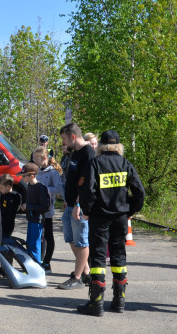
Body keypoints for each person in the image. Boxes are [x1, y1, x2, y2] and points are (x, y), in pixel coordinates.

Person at [77, 130, 145, 315]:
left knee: (98, 257)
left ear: (101, 146)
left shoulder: (95, 163)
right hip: (120, 217)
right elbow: (140, 192)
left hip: (99, 216)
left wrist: (87, 211)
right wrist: (129, 210)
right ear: (118, 146)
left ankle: (96, 303)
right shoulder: (125, 163)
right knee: (119, 257)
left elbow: (87, 190)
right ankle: (119, 301)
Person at [56, 123, 95, 290]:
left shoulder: (88, 153)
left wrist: (79, 203)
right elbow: (72, 179)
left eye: (64, 138)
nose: (63, 142)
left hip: (79, 206)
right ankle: (86, 272)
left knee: (81, 242)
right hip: (70, 204)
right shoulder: (75, 153)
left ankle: (77, 277)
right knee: (71, 239)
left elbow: (87, 183)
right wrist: (68, 200)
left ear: (73, 136)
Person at [32, 147, 63, 272]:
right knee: (38, 236)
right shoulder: (38, 171)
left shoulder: (53, 172)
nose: (34, 161)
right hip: (37, 209)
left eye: (36, 158)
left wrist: (44, 189)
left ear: (44, 158)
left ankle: (47, 262)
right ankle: (38, 260)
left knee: (48, 236)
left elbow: (59, 189)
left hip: (47, 210)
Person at [20, 163, 50, 266]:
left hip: (37, 221)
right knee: (29, 244)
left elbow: (45, 207)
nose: (22, 177)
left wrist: (28, 207)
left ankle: (36, 267)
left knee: (35, 246)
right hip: (31, 219)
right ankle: (30, 267)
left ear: (32, 176)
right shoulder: (30, 186)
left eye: (24, 176)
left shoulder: (41, 188)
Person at [0, 174, 23, 239]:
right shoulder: (2, 195)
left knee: (6, 238)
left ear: (8, 187)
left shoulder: (15, 196)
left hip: (8, 224)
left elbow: (16, 209)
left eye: (1, 188)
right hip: (1, 222)